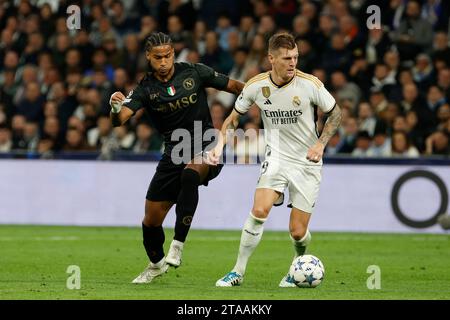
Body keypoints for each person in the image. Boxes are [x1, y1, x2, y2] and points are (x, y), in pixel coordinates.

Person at [207, 33, 342, 287]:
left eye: (296, 57)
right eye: (287, 58)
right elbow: (232, 119)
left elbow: (336, 113)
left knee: (298, 232)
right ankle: (238, 271)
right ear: (271, 58)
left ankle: (296, 267)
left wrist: (321, 144)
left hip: (307, 162)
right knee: (259, 211)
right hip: (276, 155)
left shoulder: (310, 84)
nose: (293, 63)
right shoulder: (256, 86)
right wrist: (220, 146)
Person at [109, 32, 244, 284]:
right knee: (150, 222)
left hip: (207, 144)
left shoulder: (195, 72)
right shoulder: (145, 89)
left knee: (191, 174)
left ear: (173, 54)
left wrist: (264, 98)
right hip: (174, 152)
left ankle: (178, 245)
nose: (163, 62)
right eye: (157, 57)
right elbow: (120, 120)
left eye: (168, 56)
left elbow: (236, 87)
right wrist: (115, 108)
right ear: (148, 57)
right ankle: (156, 264)